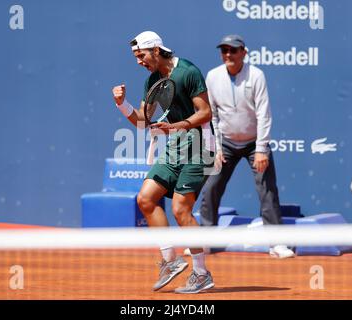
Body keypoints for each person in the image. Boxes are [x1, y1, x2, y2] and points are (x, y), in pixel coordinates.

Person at [112, 31, 216, 293]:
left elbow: (205, 113)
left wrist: (177, 126)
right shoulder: (152, 82)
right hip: (175, 146)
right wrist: (121, 104)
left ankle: (202, 274)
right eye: (135, 57)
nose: (138, 61)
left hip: (199, 146)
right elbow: (141, 122)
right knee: (146, 198)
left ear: (156, 51)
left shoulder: (188, 71)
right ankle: (170, 260)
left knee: (181, 210)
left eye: (141, 55)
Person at [200, 34, 295, 259]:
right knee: (211, 187)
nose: (228, 55)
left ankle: (277, 244)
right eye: (224, 51)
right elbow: (210, 114)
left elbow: (263, 113)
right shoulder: (213, 76)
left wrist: (261, 149)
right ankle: (203, 243)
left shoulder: (256, 75)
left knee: (267, 191)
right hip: (225, 143)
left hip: (254, 143)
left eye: (233, 50)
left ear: (244, 52)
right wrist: (215, 147)